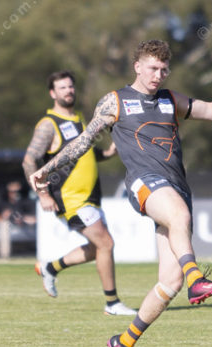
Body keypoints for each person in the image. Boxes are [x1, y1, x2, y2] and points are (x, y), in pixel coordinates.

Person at [28, 40, 212, 347]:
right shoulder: (116, 101)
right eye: (152, 68)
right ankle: (197, 279)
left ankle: (123, 343)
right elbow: (83, 142)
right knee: (179, 217)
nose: (158, 75)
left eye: (164, 70)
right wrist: (48, 169)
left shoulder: (170, 100)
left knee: (169, 282)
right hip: (144, 184)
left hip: (176, 187)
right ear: (137, 66)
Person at [23, 70, 136, 316]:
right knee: (106, 243)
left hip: (90, 198)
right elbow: (29, 160)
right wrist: (42, 194)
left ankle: (50, 268)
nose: (68, 91)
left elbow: (84, 154)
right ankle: (112, 303)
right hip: (70, 199)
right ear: (52, 93)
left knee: (97, 248)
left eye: (70, 86)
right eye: (62, 87)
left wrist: (108, 154)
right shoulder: (48, 124)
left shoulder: (80, 119)